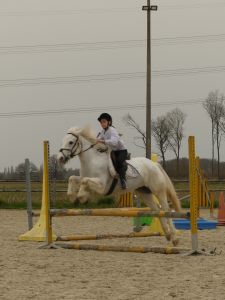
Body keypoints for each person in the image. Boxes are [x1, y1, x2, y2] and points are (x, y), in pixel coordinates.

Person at [97, 113, 128, 189]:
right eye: (101, 122)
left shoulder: (112, 130)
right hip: (112, 151)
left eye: (104, 122)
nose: (102, 124)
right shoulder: (102, 132)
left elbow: (114, 142)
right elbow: (98, 139)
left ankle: (123, 181)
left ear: (109, 122)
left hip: (121, 151)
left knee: (119, 162)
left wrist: (103, 141)